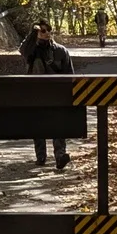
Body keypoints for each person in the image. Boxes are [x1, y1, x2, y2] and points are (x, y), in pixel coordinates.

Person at [20, 20, 73, 168]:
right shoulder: (31, 50)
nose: (47, 33)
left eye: (48, 30)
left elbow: (69, 73)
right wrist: (32, 33)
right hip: (35, 93)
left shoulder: (60, 51)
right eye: (42, 31)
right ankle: (41, 156)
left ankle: (60, 156)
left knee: (58, 125)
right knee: (38, 125)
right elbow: (23, 49)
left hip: (56, 93)